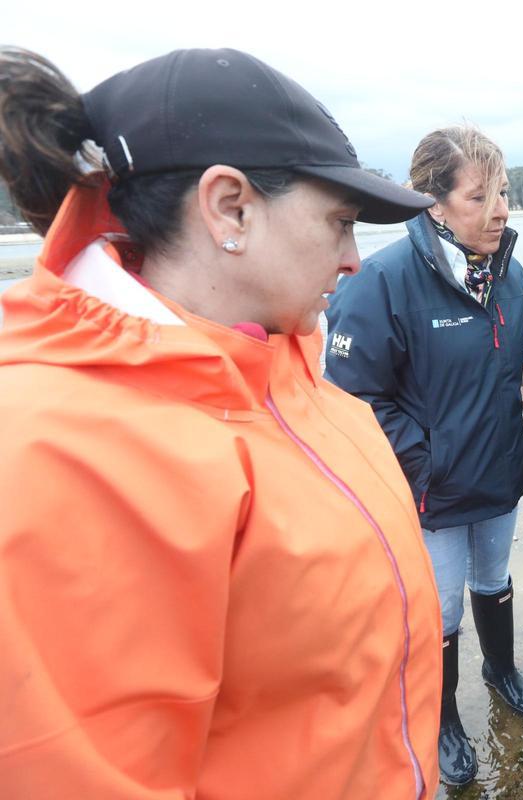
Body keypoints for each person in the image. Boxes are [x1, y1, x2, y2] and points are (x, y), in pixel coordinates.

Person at [0, 48, 443, 799]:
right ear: (230, 206)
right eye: (339, 222)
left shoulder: (279, 364)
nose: (354, 260)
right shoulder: (69, 455)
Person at [325, 126, 523, 786]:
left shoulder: (510, 273)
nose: (501, 208)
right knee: (438, 609)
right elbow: (351, 398)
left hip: (498, 473)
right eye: (480, 196)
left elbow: (508, 355)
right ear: (433, 205)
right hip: (434, 491)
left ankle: (499, 669)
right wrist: (426, 464)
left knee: (495, 578)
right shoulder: (381, 282)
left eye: (504, 191)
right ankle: (442, 716)